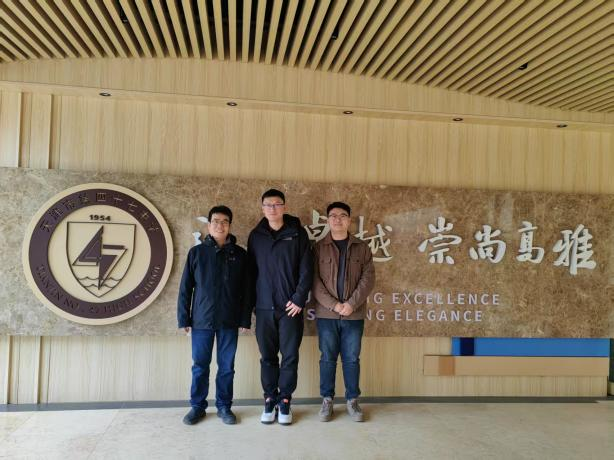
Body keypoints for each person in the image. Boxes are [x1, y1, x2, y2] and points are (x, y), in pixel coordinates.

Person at [177, 205, 252, 425]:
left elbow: (247, 290)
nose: (220, 225)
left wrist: (245, 319)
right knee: (200, 366)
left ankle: (224, 407)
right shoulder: (197, 253)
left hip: (230, 320)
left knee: (227, 367)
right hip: (201, 320)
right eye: (216, 221)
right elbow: (185, 288)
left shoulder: (240, 255)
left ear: (230, 225)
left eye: (225, 221)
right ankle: (197, 407)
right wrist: (184, 318)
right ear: (209, 225)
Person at [248, 189, 313, 425]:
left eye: (277, 204)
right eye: (268, 205)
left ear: (284, 206)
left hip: (290, 308)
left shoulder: (297, 233)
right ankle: (269, 399)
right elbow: (250, 273)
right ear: (262, 208)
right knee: (267, 356)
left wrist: (299, 299)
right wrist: (253, 305)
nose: (273, 209)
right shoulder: (256, 236)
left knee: (289, 356)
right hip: (264, 307)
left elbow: (307, 269)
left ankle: (285, 400)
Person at [312, 201, 375, 422]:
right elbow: (314, 281)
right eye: (333, 216)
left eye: (342, 215)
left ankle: (352, 400)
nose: (337, 219)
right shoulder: (318, 248)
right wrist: (335, 305)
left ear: (349, 220)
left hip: (353, 314)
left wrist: (351, 304)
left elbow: (368, 279)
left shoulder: (362, 247)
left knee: (351, 358)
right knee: (327, 358)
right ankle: (327, 400)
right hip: (326, 315)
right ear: (327, 220)